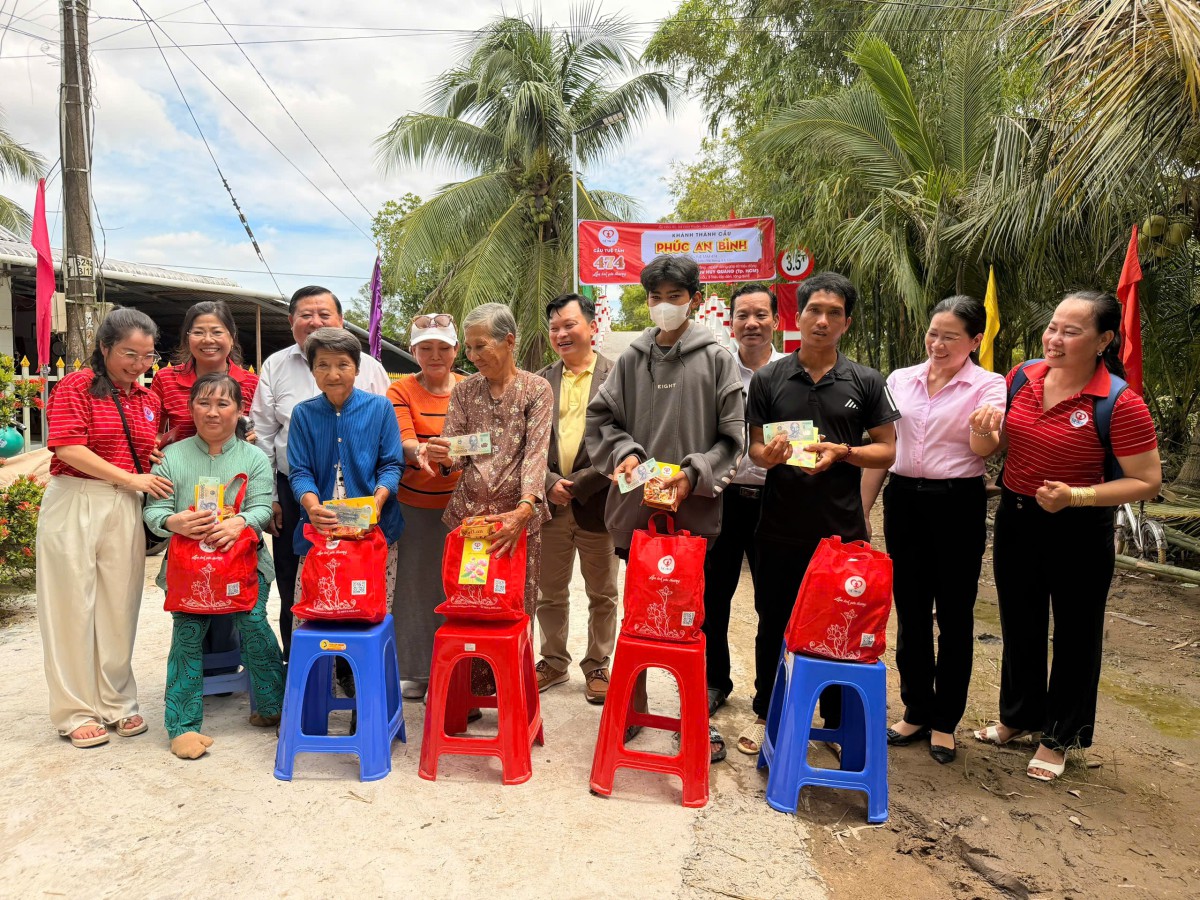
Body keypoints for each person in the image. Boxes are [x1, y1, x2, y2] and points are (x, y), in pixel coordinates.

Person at [974, 291, 1160, 782]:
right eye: (1052, 327)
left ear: (1103, 340)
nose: (1054, 339)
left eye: (1071, 331)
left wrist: (1077, 496)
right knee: (1021, 622)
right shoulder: (1022, 377)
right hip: (1017, 518)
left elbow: (1147, 481)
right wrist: (984, 432)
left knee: (1076, 632)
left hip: (1078, 529)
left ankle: (1060, 736)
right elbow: (1001, 443)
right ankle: (1019, 716)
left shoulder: (1119, 402)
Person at [586, 254, 745, 761]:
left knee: (693, 619)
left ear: (694, 300)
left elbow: (733, 439)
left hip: (694, 515)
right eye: (655, 297)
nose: (664, 306)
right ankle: (631, 709)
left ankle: (695, 718)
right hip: (638, 514)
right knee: (638, 614)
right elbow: (602, 420)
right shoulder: (632, 359)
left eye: (674, 296)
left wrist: (693, 475)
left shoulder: (717, 359)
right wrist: (626, 453)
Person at [740, 271, 899, 755]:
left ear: (846, 323)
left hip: (841, 533)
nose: (823, 321)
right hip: (778, 526)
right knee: (773, 621)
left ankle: (834, 719)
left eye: (834, 313)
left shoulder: (865, 381)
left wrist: (844, 452)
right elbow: (755, 446)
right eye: (814, 310)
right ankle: (768, 711)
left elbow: (887, 449)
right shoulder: (769, 378)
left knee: (839, 626)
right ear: (798, 316)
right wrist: (768, 457)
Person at [860, 296, 1005, 764]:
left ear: (975, 340)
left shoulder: (988, 385)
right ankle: (916, 708)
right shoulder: (899, 380)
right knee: (911, 608)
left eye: (951, 337)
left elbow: (984, 449)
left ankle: (946, 721)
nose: (938, 344)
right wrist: (863, 510)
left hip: (957, 502)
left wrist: (983, 428)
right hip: (904, 498)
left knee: (956, 613)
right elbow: (884, 448)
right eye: (933, 334)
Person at [36, 307, 172, 748]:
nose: (139, 364)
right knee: (71, 605)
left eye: (147, 356)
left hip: (124, 505)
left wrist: (144, 461)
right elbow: (68, 447)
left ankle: (117, 702)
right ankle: (75, 711)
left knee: (120, 605)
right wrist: (132, 478)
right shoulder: (77, 386)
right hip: (76, 499)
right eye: (129, 354)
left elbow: (132, 447)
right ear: (104, 347)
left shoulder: (147, 399)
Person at [143, 374, 284, 760]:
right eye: (204, 403)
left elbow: (261, 506)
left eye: (223, 404)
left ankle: (273, 703)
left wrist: (240, 522)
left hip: (245, 566)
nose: (212, 412)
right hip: (189, 569)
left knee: (253, 621)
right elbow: (154, 511)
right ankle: (182, 725)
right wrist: (173, 522)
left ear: (239, 411)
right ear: (191, 408)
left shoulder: (253, 457)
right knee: (187, 632)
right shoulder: (171, 457)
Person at [250, 286, 391, 658]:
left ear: (341, 320)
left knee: (359, 588)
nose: (315, 321)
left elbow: (387, 451)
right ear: (291, 321)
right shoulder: (277, 368)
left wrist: (377, 500)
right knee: (301, 583)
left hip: (364, 503)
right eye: (306, 314)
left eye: (324, 314)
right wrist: (276, 499)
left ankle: (353, 672)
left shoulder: (372, 374)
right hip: (300, 498)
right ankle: (303, 667)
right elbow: (265, 437)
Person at [152, 300, 260, 674]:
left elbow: (257, 430)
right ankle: (197, 668)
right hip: (182, 483)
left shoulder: (249, 382)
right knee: (192, 572)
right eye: (199, 331)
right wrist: (155, 447)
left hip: (232, 486)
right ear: (187, 337)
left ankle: (227, 661)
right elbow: (153, 429)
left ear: (232, 336)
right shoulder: (166, 380)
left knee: (231, 569)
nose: (208, 339)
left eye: (217, 331)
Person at [426, 303, 553, 618]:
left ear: (509, 341)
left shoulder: (536, 389)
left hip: (516, 523)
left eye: (480, 346)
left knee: (514, 606)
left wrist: (523, 511)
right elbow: (455, 454)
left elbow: (536, 454)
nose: (472, 356)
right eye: (468, 347)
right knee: (470, 604)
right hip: (469, 521)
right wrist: (444, 455)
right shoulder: (465, 391)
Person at [703, 283, 786, 717]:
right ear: (731, 322)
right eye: (742, 315)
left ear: (776, 320)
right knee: (712, 597)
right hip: (723, 498)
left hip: (777, 500)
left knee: (773, 602)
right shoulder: (715, 369)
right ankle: (713, 681)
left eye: (760, 315)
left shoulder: (792, 373)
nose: (751, 323)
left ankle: (768, 693)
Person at [533, 293, 618, 703]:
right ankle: (553, 660)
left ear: (591, 326)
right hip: (550, 504)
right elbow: (527, 443)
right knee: (549, 592)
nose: (561, 334)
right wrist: (549, 480)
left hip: (598, 503)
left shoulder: (617, 377)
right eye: (554, 328)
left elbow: (626, 440)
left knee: (602, 593)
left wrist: (581, 484)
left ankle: (598, 663)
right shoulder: (539, 381)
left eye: (569, 324)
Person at [287, 327, 405, 624]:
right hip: (322, 531)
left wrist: (377, 501)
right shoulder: (303, 414)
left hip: (373, 531)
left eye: (342, 364)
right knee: (320, 611)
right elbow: (300, 471)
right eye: (322, 365)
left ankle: (362, 658)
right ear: (312, 369)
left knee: (368, 613)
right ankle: (323, 659)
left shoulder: (380, 408)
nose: (333, 374)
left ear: (357, 368)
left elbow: (391, 465)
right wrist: (312, 507)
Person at [386, 314, 465, 700]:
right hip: (413, 507)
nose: (435, 355)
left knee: (457, 588)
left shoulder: (470, 387)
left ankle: (457, 672)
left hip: (463, 508)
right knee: (414, 591)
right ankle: (417, 670)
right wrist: (418, 450)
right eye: (426, 348)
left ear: (456, 350)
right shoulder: (399, 390)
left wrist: (453, 454)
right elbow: (402, 437)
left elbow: (481, 440)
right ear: (413, 351)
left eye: (443, 347)